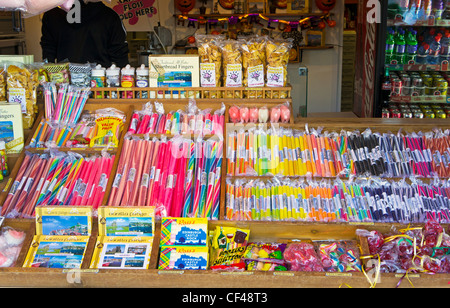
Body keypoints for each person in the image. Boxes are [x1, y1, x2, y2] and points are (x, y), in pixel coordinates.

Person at [40, 0, 129, 68]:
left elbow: (48, 52)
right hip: (99, 82)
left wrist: (50, 79)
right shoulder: (110, 16)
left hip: (66, 84)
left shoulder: (52, 15)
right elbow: (120, 55)